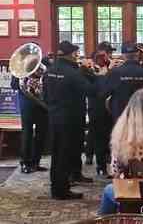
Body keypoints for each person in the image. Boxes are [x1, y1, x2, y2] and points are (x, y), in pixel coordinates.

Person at [43, 41, 96, 200]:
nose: (77, 56)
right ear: (71, 54)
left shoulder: (50, 71)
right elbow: (91, 91)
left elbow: (45, 96)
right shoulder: (73, 73)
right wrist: (93, 75)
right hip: (71, 119)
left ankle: (57, 186)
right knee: (65, 154)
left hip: (54, 117)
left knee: (57, 153)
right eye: (76, 53)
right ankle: (61, 190)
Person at [102, 42, 143, 123]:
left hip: (121, 117)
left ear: (123, 55)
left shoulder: (114, 73)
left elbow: (104, 93)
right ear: (138, 54)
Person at [11, 52, 49, 173]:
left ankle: (35, 162)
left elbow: (48, 82)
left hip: (42, 105)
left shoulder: (43, 65)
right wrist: (26, 80)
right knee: (27, 133)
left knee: (41, 134)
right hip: (27, 104)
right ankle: (25, 163)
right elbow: (14, 85)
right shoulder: (19, 67)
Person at [86, 42, 114, 176]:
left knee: (106, 135)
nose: (111, 56)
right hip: (97, 106)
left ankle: (103, 160)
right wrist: (107, 73)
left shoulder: (108, 67)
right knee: (98, 136)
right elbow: (99, 89)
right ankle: (100, 164)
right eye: (109, 53)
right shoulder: (91, 69)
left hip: (108, 107)